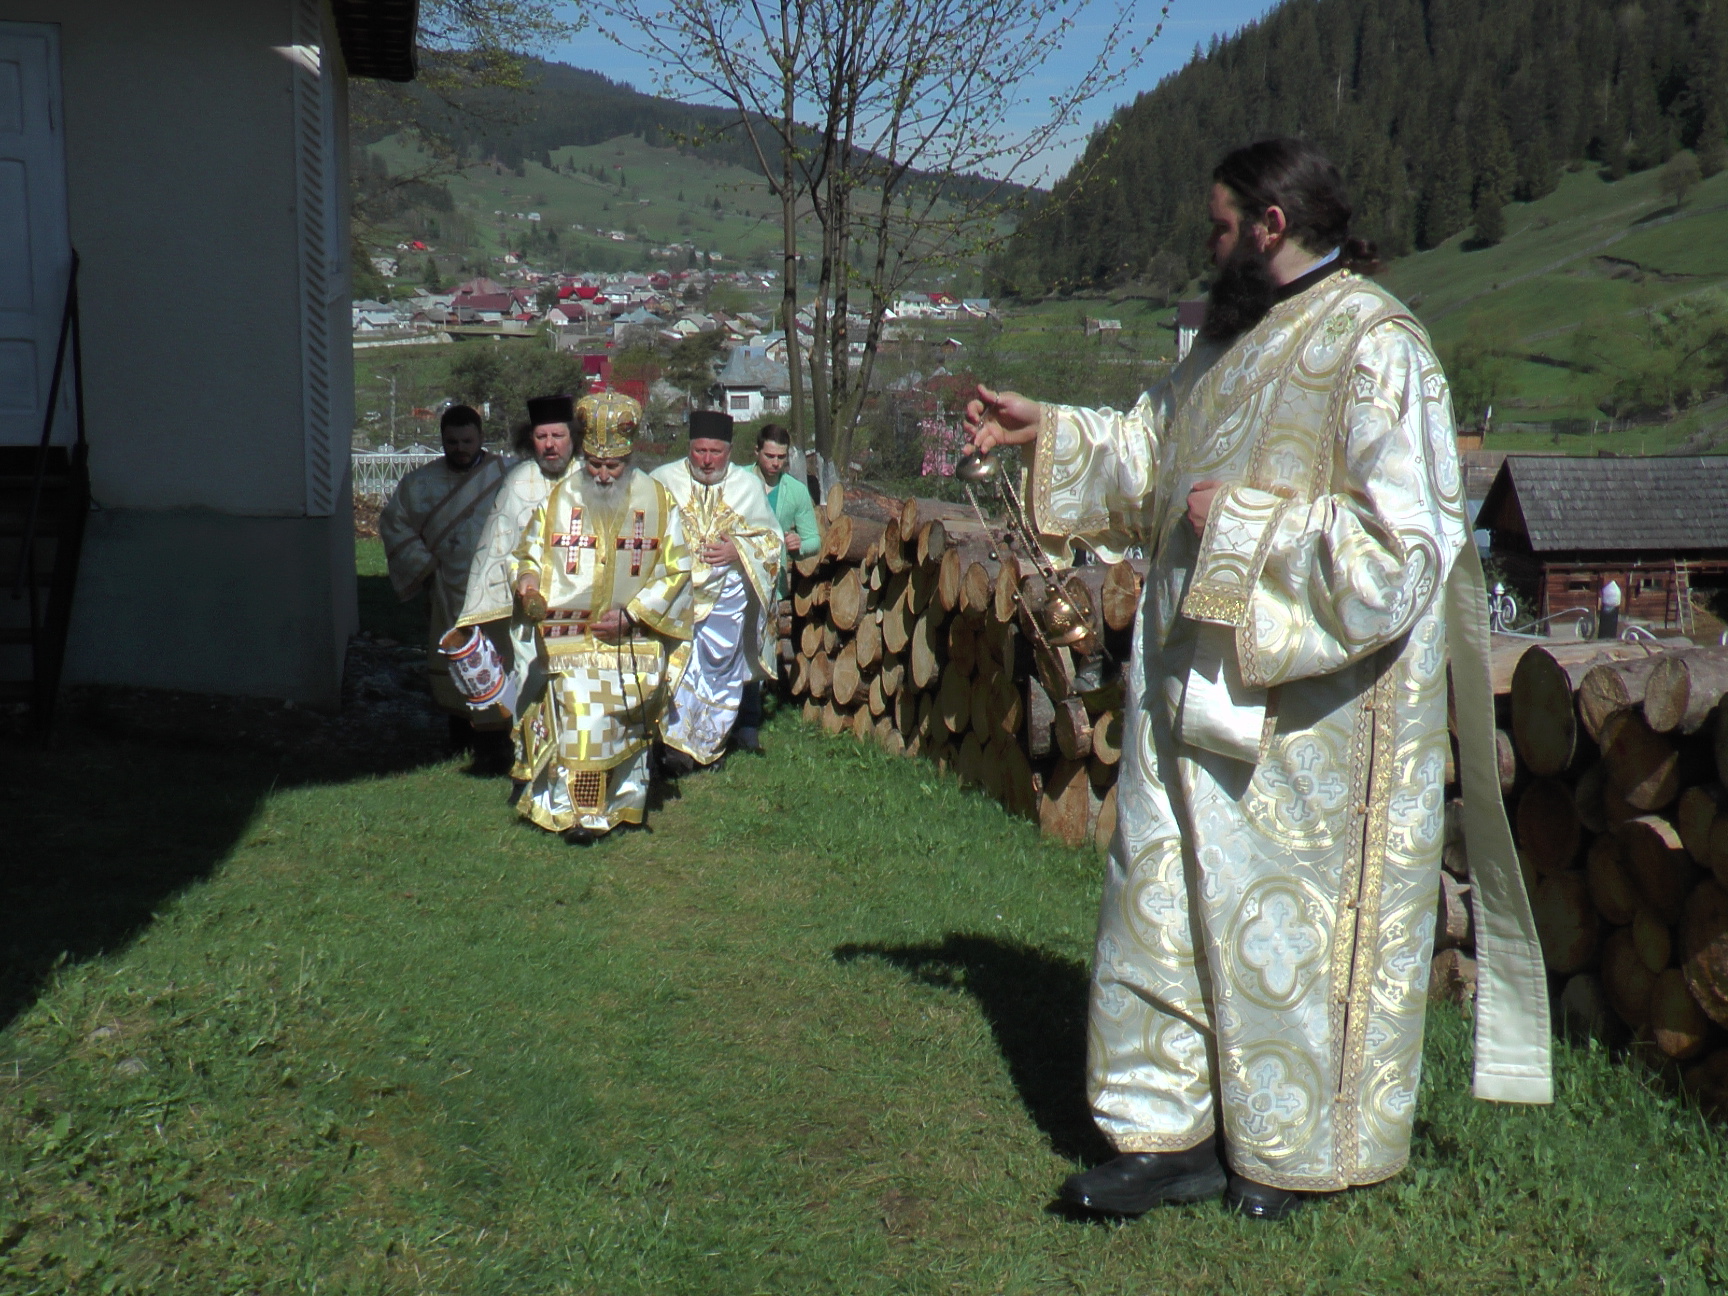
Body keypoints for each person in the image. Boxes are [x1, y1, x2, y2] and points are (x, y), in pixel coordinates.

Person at [963, 138, 1549, 1221]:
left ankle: (1292, 1148)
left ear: (1273, 225)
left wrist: (1240, 526)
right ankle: (1164, 1134)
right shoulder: (1227, 343)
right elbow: (1152, 455)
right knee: (1162, 901)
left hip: (1313, 717)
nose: (1211, 244)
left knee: (1287, 928)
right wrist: (1047, 429)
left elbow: (1404, 551)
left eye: (1222, 226)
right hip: (1184, 691)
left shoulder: (1379, 346)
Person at [502, 391, 694, 844]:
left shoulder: (658, 501)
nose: (604, 476)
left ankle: (616, 803)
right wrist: (527, 581)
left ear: (629, 457)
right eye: (594, 465)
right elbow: (525, 553)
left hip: (633, 641)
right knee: (578, 710)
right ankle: (575, 811)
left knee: (612, 714)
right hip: (570, 638)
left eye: (614, 467)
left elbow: (678, 569)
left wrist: (632, 616)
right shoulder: (560, 497)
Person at [455, 394, 583, 793]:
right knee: (528, 683)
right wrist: (520, 581)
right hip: (531, 614)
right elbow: (500, 548)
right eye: (541, 436)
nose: (550, 445)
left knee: (577, 691)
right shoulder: (518, 482)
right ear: (530, 440)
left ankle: (574, 772)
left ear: (572, 437)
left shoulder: (591, 479)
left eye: (558, 435)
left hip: (581, 611)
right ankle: (529, 770)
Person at [651, 409, 784, 765]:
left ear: (729, 451)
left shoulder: (746, 486)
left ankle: (710, 743)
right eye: (699, 451)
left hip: (726, 604)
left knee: (718, 673)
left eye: (716, 452)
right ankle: (671, 745)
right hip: (676, 599)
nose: (707, 461)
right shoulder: (662, 480)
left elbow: (772, 540)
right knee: (674, 670)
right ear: (689, 447)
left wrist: (738, 550)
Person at [379, 404, 513, 750]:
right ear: (441, 440)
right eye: (451, 441)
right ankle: (461, 739)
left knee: (499, 659)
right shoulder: (420, 483)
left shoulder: (507, 475)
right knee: (457, 661)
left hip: (499, 589)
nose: (460, 448)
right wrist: (424, 568)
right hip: (448, 589)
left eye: (467, 440)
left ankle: (503, 740)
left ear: (481, 438)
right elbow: (395, 523)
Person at [740, 423, 823, 736]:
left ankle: (749, 722)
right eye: (769, 456)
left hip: (772, 588)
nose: (775, 463)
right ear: (757, 452)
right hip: (737, 579)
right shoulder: (739, 480)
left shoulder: (795, 492)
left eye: (781, 458)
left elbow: (814, 539)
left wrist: (799, 545)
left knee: (759, 650)